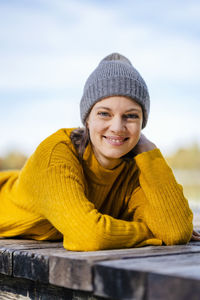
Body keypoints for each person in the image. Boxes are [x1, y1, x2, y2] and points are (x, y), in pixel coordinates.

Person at [0, 53, 198, 251]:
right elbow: (91, 236)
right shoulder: (56, 154)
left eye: (131, 116)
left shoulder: (134, 170)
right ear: (87, 119)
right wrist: (150, 232)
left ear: (142, 123)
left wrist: (150, 152)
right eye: (104, 113)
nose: (117, 127)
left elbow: (175, 231)